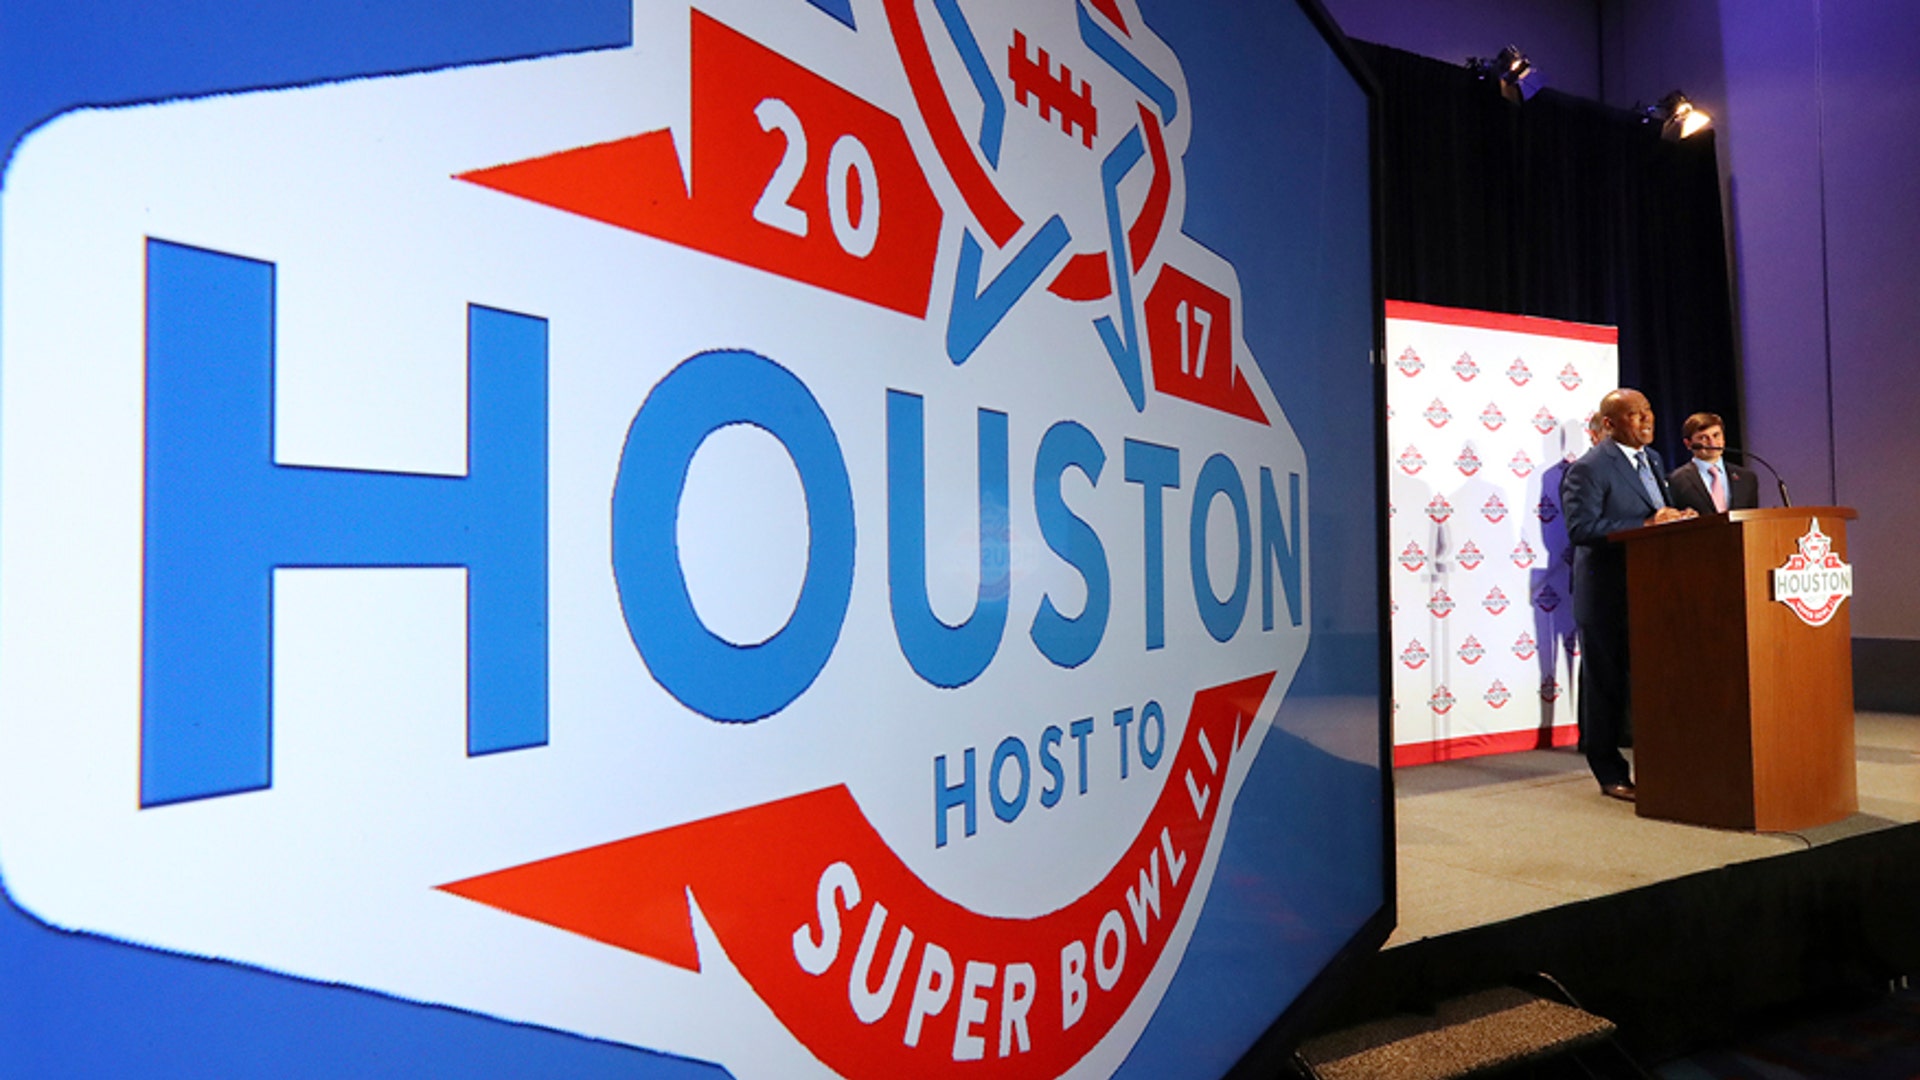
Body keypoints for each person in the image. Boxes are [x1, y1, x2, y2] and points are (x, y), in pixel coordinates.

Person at [1559, 389, 1696, 800]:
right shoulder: (1588, 468)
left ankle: (1662, 766)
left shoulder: (1652, 460)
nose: (1646, 419)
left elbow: (1657, 512)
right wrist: (1648, 522)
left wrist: (1676, 518)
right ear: (1609, 424)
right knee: (1606, 685)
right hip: (1607, 594)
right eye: (1634, 414)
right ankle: (1610, 773)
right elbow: (1582, 529)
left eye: (1649, 411)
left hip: (1652, 589)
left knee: (1651, 682)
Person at [1667, 412, 1759, 515]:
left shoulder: (1747, 478)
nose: (1712, 443)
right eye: (1703, 438)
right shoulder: (1676, 481)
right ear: (1688, 444)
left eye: (1716, 435)